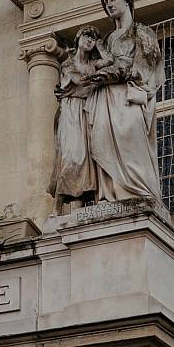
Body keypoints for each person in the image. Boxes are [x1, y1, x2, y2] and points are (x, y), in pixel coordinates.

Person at [85, 0, 165, 203]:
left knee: (130, 136)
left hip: (129, 97)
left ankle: (139, 192)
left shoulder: (142, 32)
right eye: (105, 3)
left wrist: (113, 72)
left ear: (127, 0)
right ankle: (113, 195)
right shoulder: (108, 40)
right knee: (101, 138)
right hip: (105, 99)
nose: (108, 5)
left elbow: (146, 67)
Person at [49, 27, 111, 211]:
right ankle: (56, 208)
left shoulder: (94, 63)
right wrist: (101, 77)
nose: (90, 40)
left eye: (93, 38)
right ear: (78, 39)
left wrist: (100, 45)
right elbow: (80, 81)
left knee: (87, 160)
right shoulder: (68, 64)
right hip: (70, 111)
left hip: (86, 111)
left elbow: (110, 60)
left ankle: (78, 210)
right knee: (72, 158)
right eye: (86, 36)